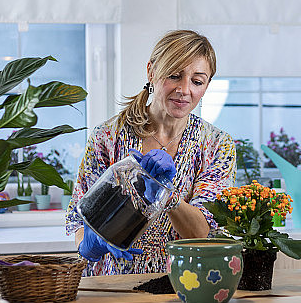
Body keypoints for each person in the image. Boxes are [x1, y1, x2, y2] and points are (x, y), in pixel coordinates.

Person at [65, 30, 236, 276]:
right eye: (175, 75)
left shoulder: (217, 146)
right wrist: (91, 246)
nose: (184, 89)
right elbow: (80, 221)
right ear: (151, 71)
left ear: (207, 86)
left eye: (197, 81)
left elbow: (201, 232)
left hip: (183, 285)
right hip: (113, 287)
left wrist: (166, 195)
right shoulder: (107, 136)